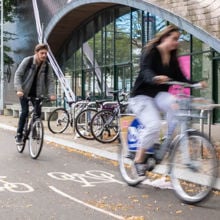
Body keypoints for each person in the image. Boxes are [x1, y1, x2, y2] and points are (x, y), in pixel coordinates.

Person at [129, 25, 207, 176]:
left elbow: (181, 78)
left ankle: (167, 139)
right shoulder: (151, 52)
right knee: (154, 125)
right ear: (165, 37)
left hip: (158, 96)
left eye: (178, 39)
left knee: (175, 103)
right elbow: (145, 70)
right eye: (174, 39)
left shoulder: (172, 58)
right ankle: (138, 160)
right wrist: (154, 78)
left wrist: (197, 83)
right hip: (141, 96)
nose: (176, 42)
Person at [14, 43, 56, 144]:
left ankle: (34, 131)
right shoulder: (27, 61)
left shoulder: (47, 66)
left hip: (37, 93)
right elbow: (18, 75)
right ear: (36, 53)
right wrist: (19, 89)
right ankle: (19, 135)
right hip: (24, 92)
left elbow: (50, 80)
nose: (44, 55)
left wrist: (51, 93)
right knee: (24, 112)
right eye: (42, 53)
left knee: (37, 114)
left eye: (46, 53)